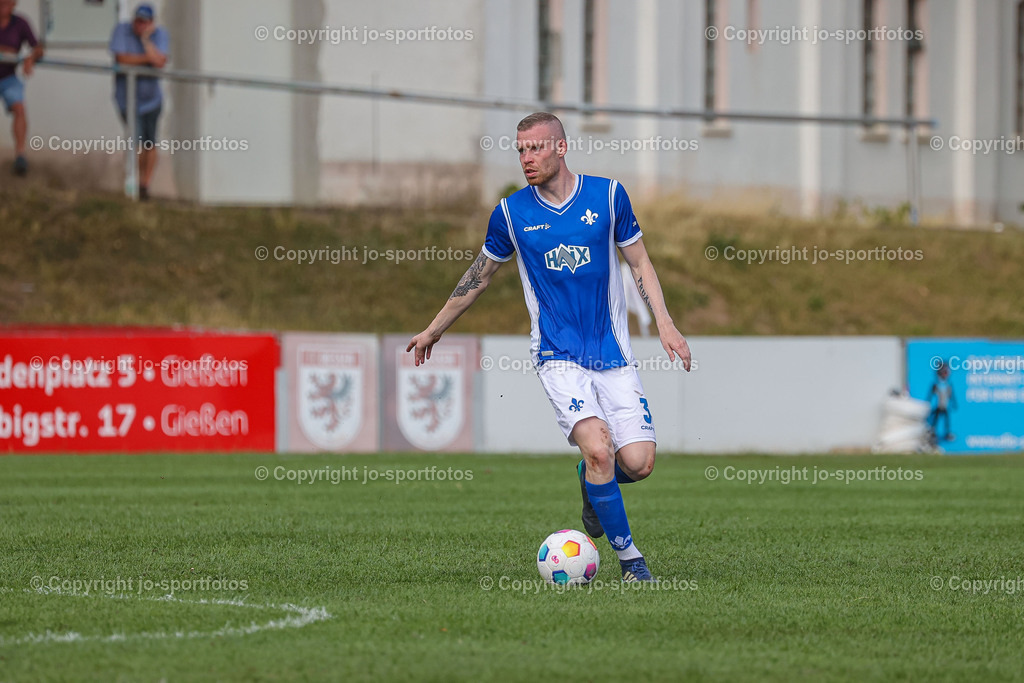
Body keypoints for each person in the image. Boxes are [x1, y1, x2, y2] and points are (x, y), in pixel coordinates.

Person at [408, 112, 691, 582]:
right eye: (520, 150)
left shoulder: (608, 196)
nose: (526, 158)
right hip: (557, 357)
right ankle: (631, 562)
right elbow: (478, 277)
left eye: (535, 148)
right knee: (600, 449)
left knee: (637, 464)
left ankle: (590, 481)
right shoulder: (511, 213)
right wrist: (434, 329)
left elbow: (639, 262)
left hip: (613, 354)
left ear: (561, 147)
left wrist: (666, 323)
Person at [109, 3, 168, 200]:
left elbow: (160, 62)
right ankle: (132, 183)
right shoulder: (121, 31)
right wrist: (147, 59)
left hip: (152, 101)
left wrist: (145, 41)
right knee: (135, 141)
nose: (139, 25)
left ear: (151, 24)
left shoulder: (159, 35)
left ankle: (144, 185)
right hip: (128, 101)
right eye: (137, 21)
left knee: (150, 144)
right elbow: (122, 60)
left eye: (144, 22)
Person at [0, 0, 43, 176]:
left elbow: (38, 48)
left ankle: (20, 155)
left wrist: (30, 58)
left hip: (8, 77)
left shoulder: (20, 23)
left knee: (19, 108)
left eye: (8, 2)